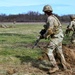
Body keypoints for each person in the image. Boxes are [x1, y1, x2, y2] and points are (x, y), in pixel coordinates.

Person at [39, 5, 67, 73]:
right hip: (59, 36)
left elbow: (50, 30)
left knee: (48, 51)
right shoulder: (54, 17)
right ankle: (64, 66)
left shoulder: (50, 18)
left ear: (45, 12)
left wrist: (44, 35)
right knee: (59, 52)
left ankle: (55, 67)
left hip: (56, 37)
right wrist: (45, 31)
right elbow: (50, 28)